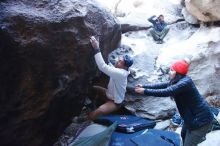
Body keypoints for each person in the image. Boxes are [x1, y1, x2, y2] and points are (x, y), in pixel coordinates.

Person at [134, 59, 214, 146]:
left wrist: (145, 91)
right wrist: (144, 86)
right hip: (191, 118)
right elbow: (162, 85)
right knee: (183, 136)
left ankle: (198, 137)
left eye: (172, 70)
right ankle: (197, 138)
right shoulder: (178, 80)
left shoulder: (185, 82)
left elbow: (167, 91)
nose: (169, 72)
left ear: (178, 73)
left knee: (189, 143)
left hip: (201, 120)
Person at [87, 36, 133, 121]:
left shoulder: (120, 73)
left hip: (114, 102)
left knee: (99, 111)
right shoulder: (121, 69)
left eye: (120, 62)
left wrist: (96, 48)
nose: (117, 61)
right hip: (108, 94)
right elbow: (109, 63)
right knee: (93, 89)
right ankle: (91, 105)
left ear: (124, 67)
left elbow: (103, 67)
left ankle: (87, 120)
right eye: (119, 60)